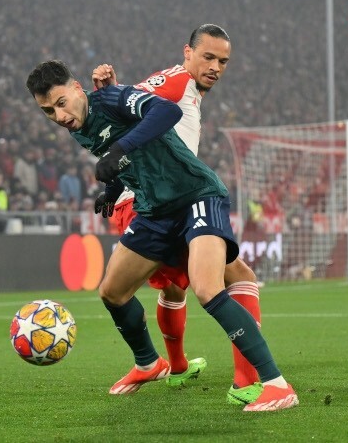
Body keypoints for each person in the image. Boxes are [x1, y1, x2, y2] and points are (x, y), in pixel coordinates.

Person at [26, 59, 298, 412]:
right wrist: (114, 187)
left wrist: (120, 151)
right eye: (48, 111)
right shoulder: (77, 127)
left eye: (61, 103)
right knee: (113, 292)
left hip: (195, 196)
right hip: (154, 210)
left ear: (78, 88)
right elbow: (134, 158)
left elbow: (165, 113)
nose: (59, 116)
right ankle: (149, 363)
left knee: (207, 288)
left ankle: (276, 384)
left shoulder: (112, 99)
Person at [91, 24, 266, 405]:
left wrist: (116, 91)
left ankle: (173, 366)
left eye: (223, 61)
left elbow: (131, 109)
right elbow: (136, 107)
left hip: (145, 200)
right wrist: (115, 94)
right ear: (187, 53)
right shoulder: (176, 80)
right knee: (238, 278)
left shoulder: (187, 88)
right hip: (151, 203)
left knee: (172, 287)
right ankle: (248, 381)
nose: (216, 67)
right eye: (208, 57)